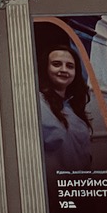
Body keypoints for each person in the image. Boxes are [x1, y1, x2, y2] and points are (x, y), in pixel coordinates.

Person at [38, 43, 94, 190]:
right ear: (45, 68)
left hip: (81, 191)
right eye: (56, 64)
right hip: (53, 195)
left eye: (70, 66)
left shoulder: (73, 108)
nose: (64, 70)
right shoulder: (36, 103)